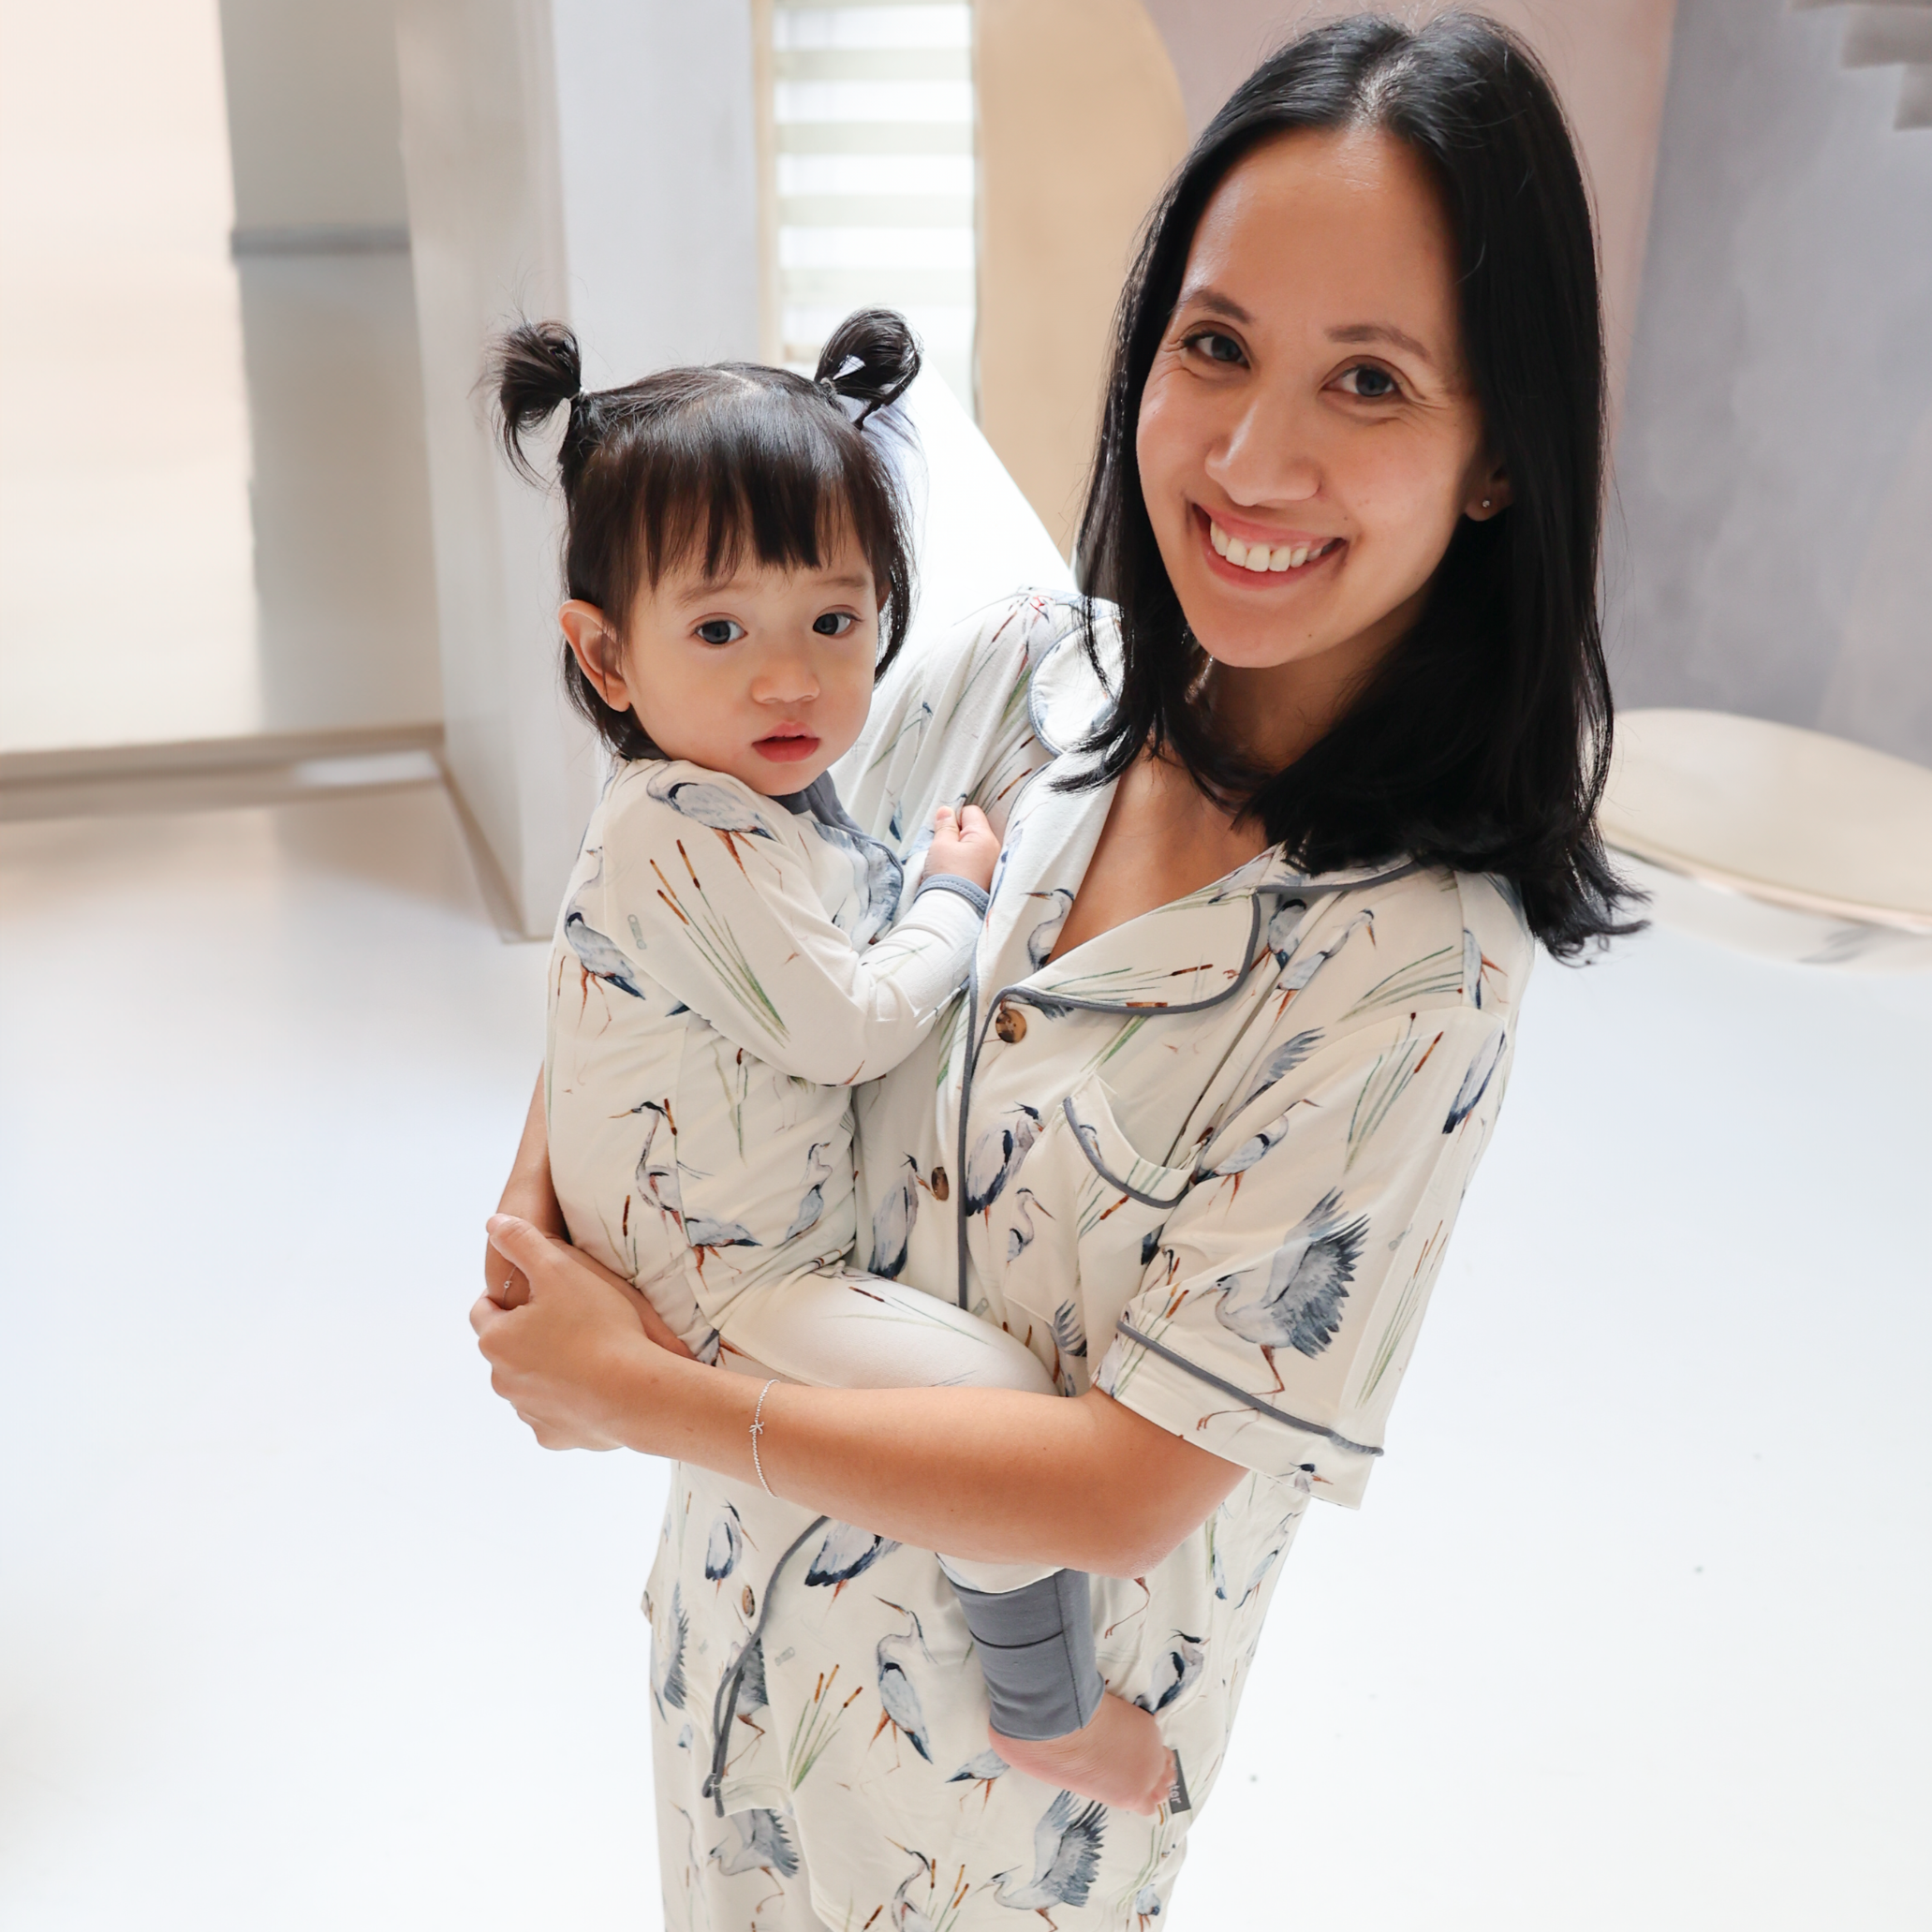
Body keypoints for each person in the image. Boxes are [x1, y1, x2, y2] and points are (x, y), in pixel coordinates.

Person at [473, 13, 1634, 1926]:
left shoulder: (1409, 979)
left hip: (985, 1822)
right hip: (735, 1660)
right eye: (1215, 345)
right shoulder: (1018, 676)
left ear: (1495, 451)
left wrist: (637, 1383)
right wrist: (545, 1219)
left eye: (1366, 378)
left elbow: (1121, 1488)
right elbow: (698, 894)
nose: (1252, 456)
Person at [488, 306, 1171, 1812]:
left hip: (731, 1224)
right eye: (719, 631)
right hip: (720, 1279)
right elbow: (852, 1023)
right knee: (999, 1402)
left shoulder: (737, 795)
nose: (789, 681)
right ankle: (1046, 1706)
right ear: (604, 653)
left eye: (834, 622)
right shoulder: (680, 835)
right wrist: (955, 896)